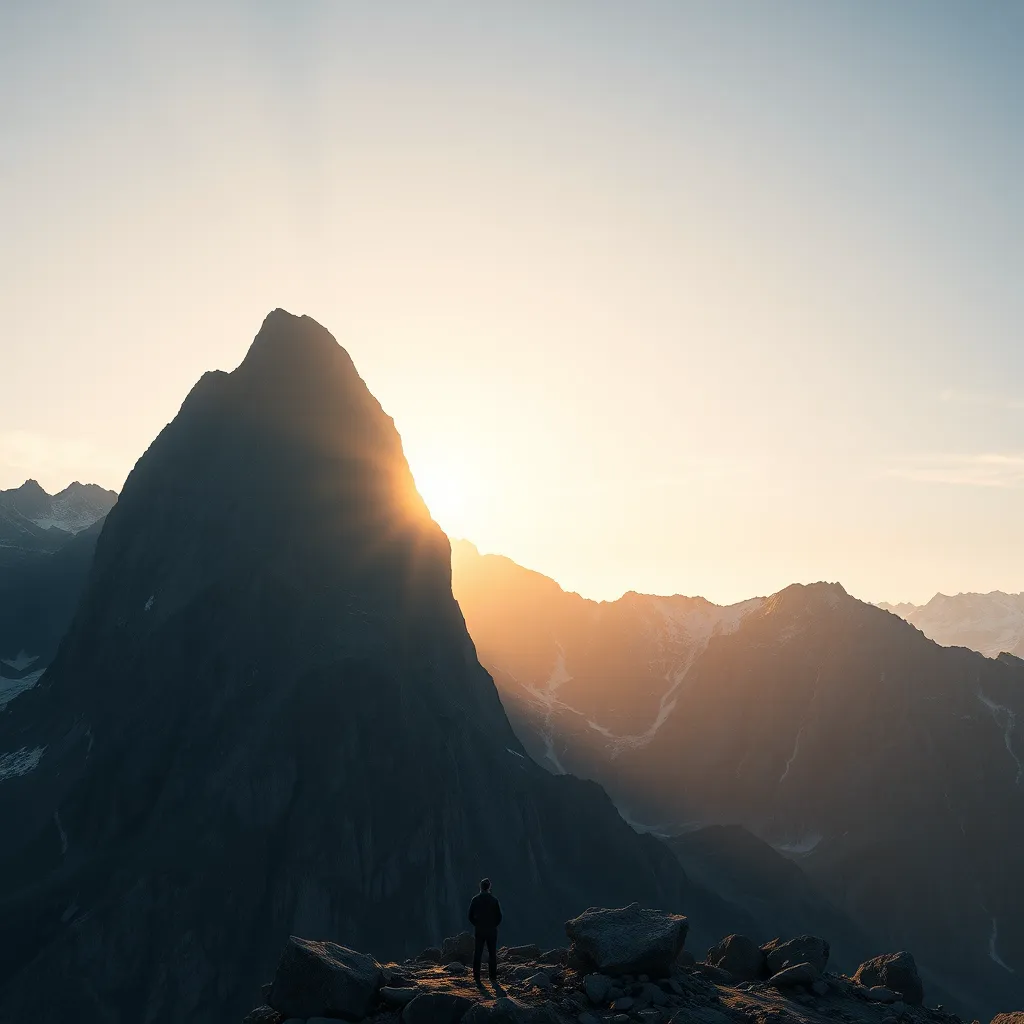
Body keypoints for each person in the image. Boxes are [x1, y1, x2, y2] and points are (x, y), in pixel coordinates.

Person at [468, 877, 502, 985]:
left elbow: (470, 916)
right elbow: (499, 917)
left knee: (478, 952)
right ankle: (492, 976)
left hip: (480, 930)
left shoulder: (475, 899)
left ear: (480, 887)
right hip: (492, 930)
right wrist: (493, 925)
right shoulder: (494, 900)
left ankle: (476, 976)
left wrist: (477, 924)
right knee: (492, 953)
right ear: (489, 887)